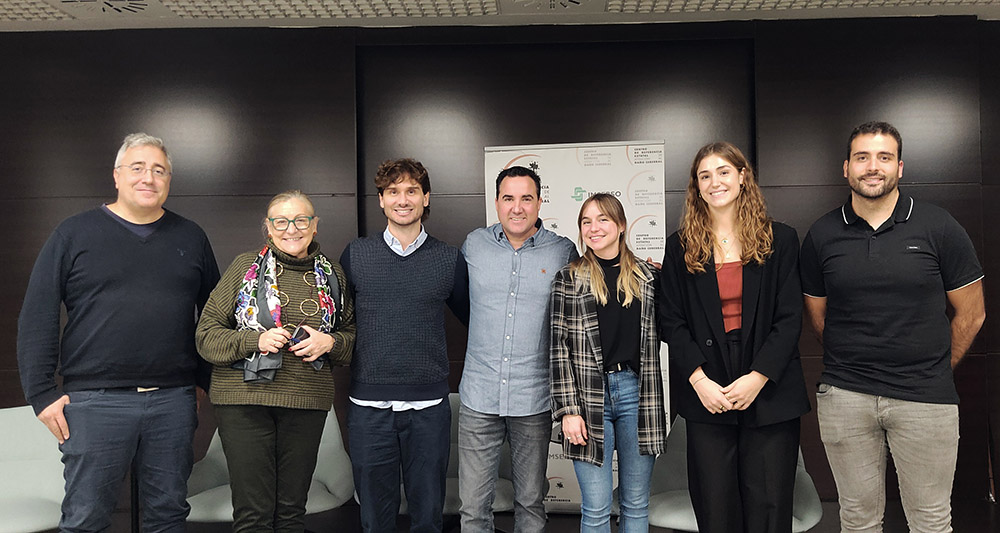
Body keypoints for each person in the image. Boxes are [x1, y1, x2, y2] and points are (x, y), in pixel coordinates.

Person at [17, 133, 221, 532]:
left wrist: (201, 379)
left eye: (159, 170)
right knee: (85, 518)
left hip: (173, 403)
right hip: (94, 403)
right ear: (116, 176)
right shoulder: (73, 234)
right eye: (138, 167)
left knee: (168, 516)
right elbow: (37, 314)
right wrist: (41, 393)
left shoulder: (191, 237)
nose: (149, 177)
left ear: (169, 181)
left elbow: (215, 314)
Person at [800, 121, 985, 532]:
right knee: (858, 520)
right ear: (845, 167)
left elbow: (972, 314)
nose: (873, 166)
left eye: (883, 157)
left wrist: (936, 367)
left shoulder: (939, 227)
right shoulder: (822, 234)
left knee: (930, 520)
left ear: (899, 167)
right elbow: (818, 318)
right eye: (862, 157)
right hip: (846, 398)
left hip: (925, 399)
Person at [658, 141, 809, 533]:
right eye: (704, 176)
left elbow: (790, 317)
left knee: (770, 507)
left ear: (743, 177)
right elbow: (671, 321)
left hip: (769, 388)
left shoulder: (782, 240)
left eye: (723, 172)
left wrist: (758, 377)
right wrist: (699, 382)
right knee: (715, 507)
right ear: (696, 186)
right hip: (707, 390)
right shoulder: (679, 248)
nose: (714, 182)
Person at [195, 190, 356, 531]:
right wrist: (256, 340)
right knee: (253, 514)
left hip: (306, 403)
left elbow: (351, 341)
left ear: (315, 226)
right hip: (244, 403)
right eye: (280, 221)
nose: (291, 229)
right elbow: (206, 335)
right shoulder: (244, 267)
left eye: (301, 220)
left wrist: (330, 342)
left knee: (291, 513)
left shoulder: (334, 276)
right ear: (267, 228)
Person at [340, 158, 469, 533]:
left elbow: (476, 321)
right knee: (374, 519)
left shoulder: (448, 258)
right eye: (393, 191)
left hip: (428, 408)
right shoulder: (356, 254)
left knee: (428, 517)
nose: (403, 199)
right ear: (380, 200)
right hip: (368, 407)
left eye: (412, 190)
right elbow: (339, 322)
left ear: (426, 198)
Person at [458, 166, 578, 532]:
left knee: (530, 504)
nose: (517, 207)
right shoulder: (474, 245)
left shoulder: (562, 251)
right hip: (479, 396)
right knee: (474, 509)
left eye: (527, 198)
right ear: (496, 202)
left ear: (540, 202)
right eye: (508, 198)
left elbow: (581, 311)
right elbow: (462, 304)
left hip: (534, 399)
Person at [550, 193, 668, 533]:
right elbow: (558, 350)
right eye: (586, 221)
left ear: (620, 226)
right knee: (597, 509)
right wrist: (568, 410)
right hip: (587, 398)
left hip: (637, 395)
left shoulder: (648, 278)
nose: (593, 228)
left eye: (602, 219)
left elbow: (672, 326)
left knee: (635, 504)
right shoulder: (568, 279)